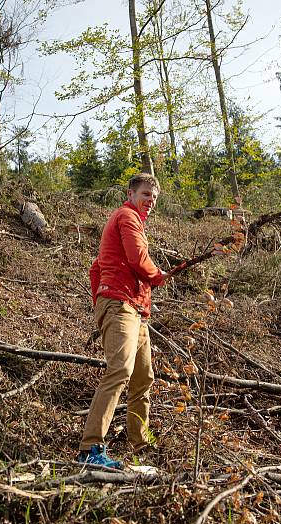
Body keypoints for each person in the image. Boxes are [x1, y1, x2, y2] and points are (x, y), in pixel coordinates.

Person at [77, 173, 167, 469]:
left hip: (135, 310)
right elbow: (138, 258)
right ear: (130, 193)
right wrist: (156, 277)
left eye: (153, 197)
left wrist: (100, 299)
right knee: (120, 370)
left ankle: (139, 442)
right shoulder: (126, 216)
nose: (150, 201)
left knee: (144, 378)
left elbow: (96, 268)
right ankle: (91, 449)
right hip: (121, 305)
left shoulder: (132, 223)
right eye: (145, 194)